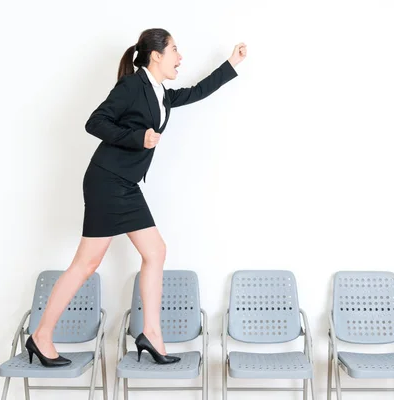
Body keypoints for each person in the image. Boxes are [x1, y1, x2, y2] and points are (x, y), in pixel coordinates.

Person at [25, 28, 247, 366]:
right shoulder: (132, 86)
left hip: (125, 184)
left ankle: (152, 335)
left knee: (155, 251)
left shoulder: (158, 92)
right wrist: (137, 137)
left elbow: (196, 91)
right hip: (107, 181)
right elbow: (94, 122)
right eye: (175, 50)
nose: (180, 57)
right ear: (156, 55)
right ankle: (41, 336)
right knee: (86, 264)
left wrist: (231, 63)